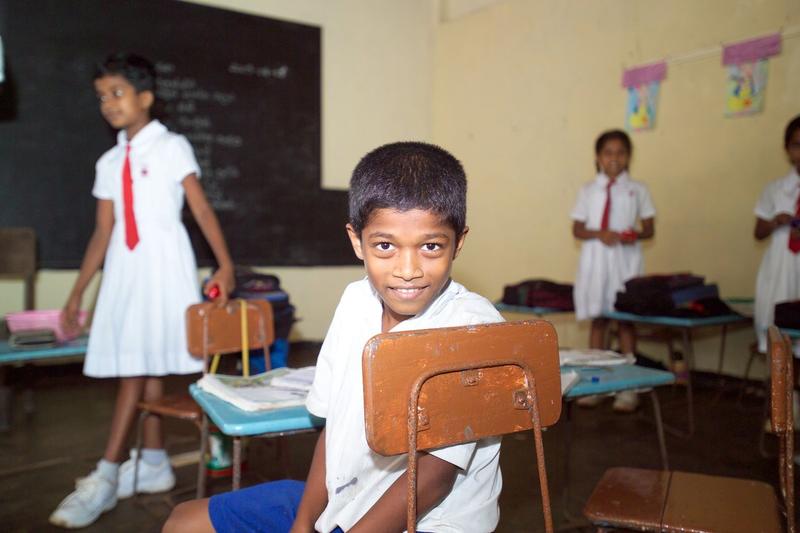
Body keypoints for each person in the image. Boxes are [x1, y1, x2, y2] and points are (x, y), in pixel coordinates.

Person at [162, 142, 504, 533]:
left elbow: (435, 475)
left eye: (430, 246)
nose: (408, 270)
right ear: (357, 241)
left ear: (458, 242)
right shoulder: (356, 301)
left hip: (432, 521)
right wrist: (304, 523)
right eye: (385, 246)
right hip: (350, 498)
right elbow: (333, 425)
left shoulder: (472, 326)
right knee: (183, 522)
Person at [49, 53, 235, 529]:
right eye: (101, 97)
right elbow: (102, 232)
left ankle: (107, 473)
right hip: (126, 272)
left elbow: (201, 209)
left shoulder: (172, 146)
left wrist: (225, 263)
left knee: (137, 368)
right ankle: (152, 462)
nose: (108, 103)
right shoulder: (109, 160)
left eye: (118, 93)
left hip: (165, 269)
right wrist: (76, 294)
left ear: (145, 97)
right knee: (142, 361)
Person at [571, 129, 655, 412]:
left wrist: (633, 235)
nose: (614, 158)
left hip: (625, 260)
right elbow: (578, 228)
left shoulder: (637, 189)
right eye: (608, 153)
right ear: (598, 157)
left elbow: (649, 228)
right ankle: (595, 385)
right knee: (599, 320)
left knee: (625, 320)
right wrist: (600, 233)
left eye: (620, 153)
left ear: (629, 157)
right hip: (596, 260)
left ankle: (628, 388)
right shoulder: (588, 190)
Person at [754, 115, 800, 357]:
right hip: (781, 267)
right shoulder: (774, 189)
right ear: (787, 149)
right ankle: (786, 394)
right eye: (797, 145)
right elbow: (758, 232)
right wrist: (776, 221)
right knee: (780, 337)